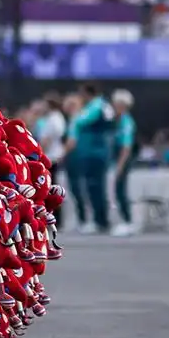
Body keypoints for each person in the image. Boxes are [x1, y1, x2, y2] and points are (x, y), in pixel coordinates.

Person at [62, 81, 114, 234]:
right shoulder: (93, 107)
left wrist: (76, 116)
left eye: (82, 93)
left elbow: (82, 120)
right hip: (90, 152)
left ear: (87, 93)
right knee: (92, 187)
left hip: (96, 152)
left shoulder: (99, 106)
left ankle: (101, 221)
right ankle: (98, 220)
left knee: (96, 186)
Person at [108, 89, 138, 236]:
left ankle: (128, 221)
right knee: (118, 190)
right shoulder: (117, 121)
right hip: (117, 157)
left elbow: (126, 146)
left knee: (121, 189)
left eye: (116, 105)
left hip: (123, 158)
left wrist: (120, 165)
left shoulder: (126, 122)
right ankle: (124, 220)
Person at [32, 94, 69, 172]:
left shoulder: (52, 120)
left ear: (49, 105)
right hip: (56, 153)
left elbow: (47, 139)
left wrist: (40, 155)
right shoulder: (59, 117)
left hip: (50, 155)